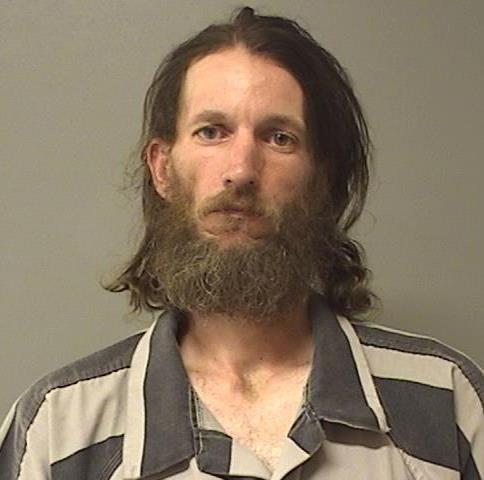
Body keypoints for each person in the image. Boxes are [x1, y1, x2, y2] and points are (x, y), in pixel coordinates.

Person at [0, 6, 482, 480]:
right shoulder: (58, 431)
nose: (241, 170)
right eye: (211, 132)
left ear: (321, 179)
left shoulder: (449, 404)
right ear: (162, 168)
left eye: (279, 138)